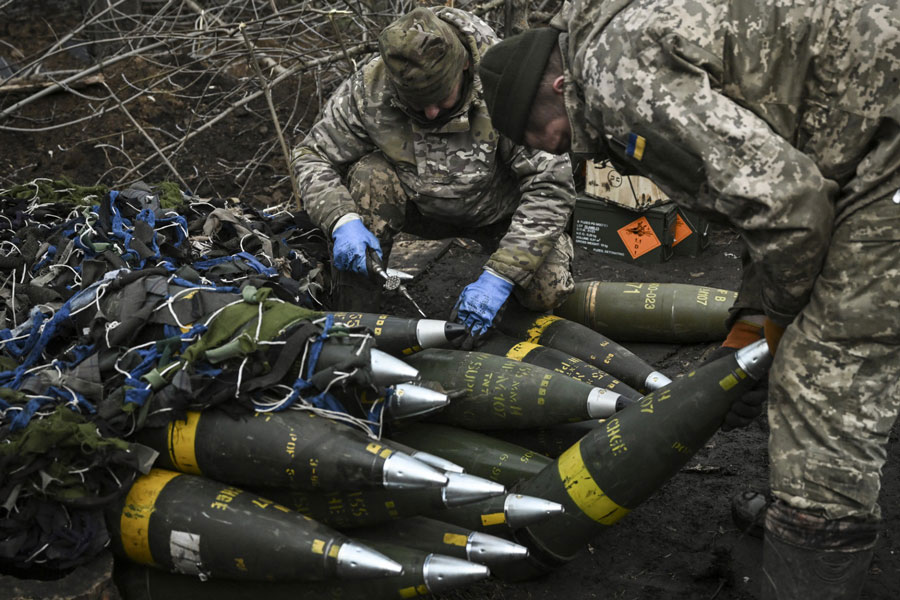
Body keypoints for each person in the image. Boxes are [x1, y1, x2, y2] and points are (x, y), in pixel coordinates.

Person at [476, 1, 900, 598]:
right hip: (864, 127)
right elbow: (761, 196)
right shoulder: (619, 36)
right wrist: (751, 320)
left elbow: (791, 210)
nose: (552, 150)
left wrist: (781, 323)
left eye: (535, 132)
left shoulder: (612, 78)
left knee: (822, 387)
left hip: (883, 154)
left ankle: (815, 538)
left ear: (557, 85)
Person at [291, 7, 576, 341]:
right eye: (416, 102)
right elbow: (311, 154)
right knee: (371, 176)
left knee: (547, 288)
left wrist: (501, 275)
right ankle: (355, 324)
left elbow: (551, 186)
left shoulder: (506, 83)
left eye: (441, 97)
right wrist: (341, 221)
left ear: (465, 66)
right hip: (417, 206)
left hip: (501, 214)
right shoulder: (371, 87)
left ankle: (501, 324)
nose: (431, 112)